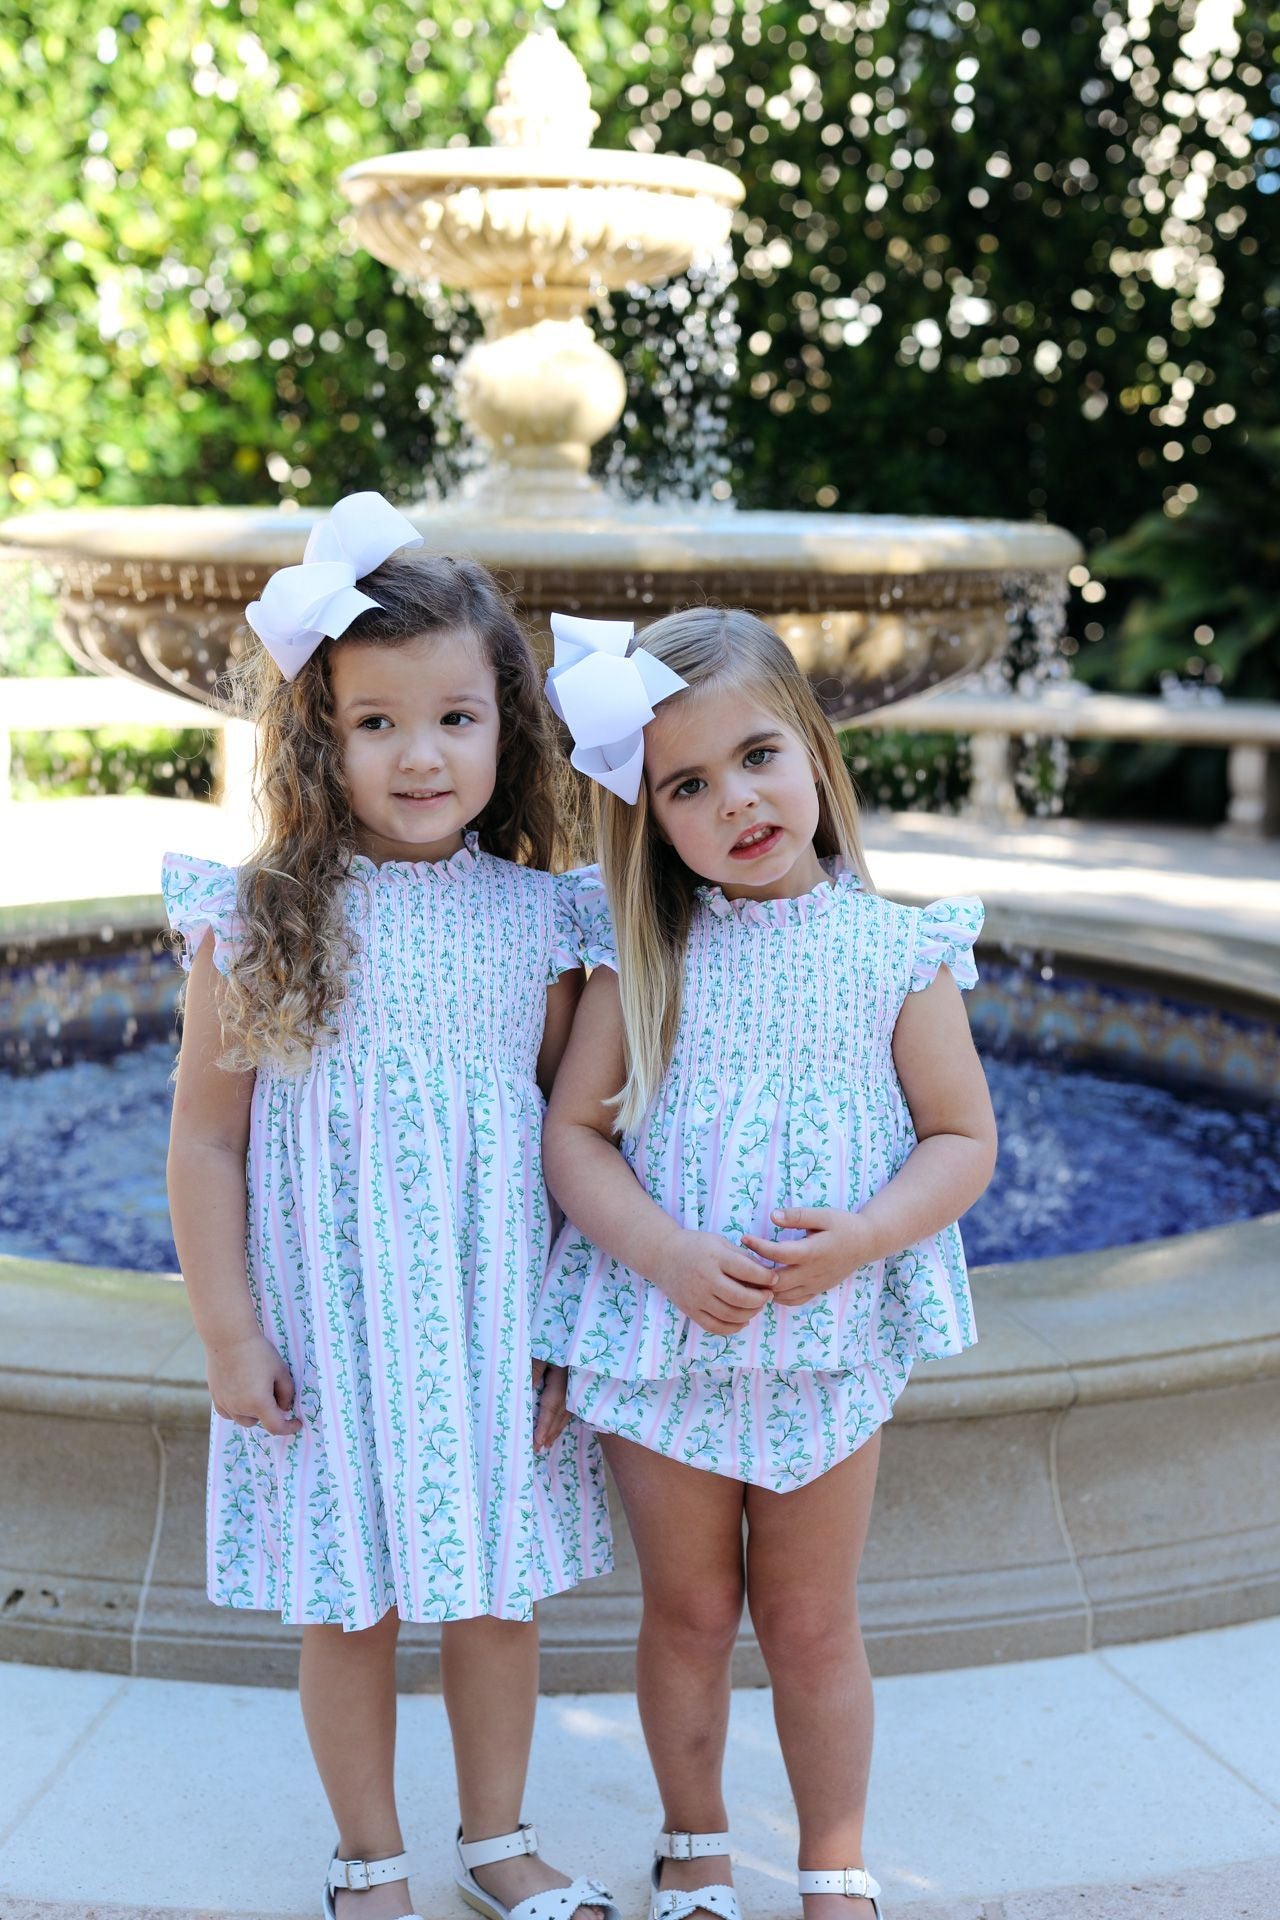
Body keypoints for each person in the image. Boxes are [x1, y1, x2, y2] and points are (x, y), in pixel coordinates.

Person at [163, 494, 615, 1920]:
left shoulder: (546, 920)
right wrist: (231, 1334)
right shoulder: (257, 920)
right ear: (320, 735)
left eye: (456, 720)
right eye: (376, 723)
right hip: (328, 1333)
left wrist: (565, 1328)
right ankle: (368, 1857)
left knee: (494, 1596)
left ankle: (497, 1841)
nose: (421, 756)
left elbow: (575, 1141)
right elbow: (207, 1143)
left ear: (506, 730)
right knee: (346, 1603)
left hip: (490, 1325)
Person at [536, 608, 998, 1920]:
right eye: (687, 785)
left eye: (756, 757)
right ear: (649, 818)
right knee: (688, 1612)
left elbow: (961, 1140)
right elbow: (574, 1139)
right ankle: (692, 1843)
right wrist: (663, 1252)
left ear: (813, 751)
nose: (735, 800)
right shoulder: (642, 956)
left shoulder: (900, 951)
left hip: (827, 1347)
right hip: (665, 1340)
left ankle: (833, 1859)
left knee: (810, 1621)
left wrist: (868, 1236)